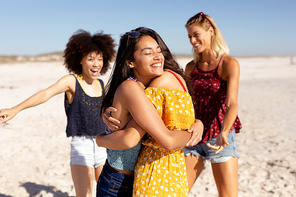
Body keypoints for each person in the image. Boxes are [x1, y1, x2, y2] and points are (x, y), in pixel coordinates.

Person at [0, 29, 116, 197]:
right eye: (90, 58)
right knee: (85, 194)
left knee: (106, 193)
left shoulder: (101, 84)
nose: (96, 63)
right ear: (80, 60)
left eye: (100, 58)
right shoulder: (71, 81)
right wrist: (15, 109)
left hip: (103, 144)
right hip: (81, 146)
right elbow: (45, 94)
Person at [95, 27, 203, 197]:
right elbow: (132, 139)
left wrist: (198, 123)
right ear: (130, 62)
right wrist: (99, 139)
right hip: (117, 183)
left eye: (158, 51)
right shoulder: (131, 88)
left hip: (132, 178)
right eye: (148, 52)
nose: (157, 56)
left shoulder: (149, 91)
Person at [183, 12, 242, 196]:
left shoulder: (228, 64)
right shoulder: (191, 67)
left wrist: (224, 132)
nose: (193, 40)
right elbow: (188, 102)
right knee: (178, 190)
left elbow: (232, 103)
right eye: (189, 36)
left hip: (219, 136)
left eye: (196, 35)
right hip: (194, 135)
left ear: (210, 32)